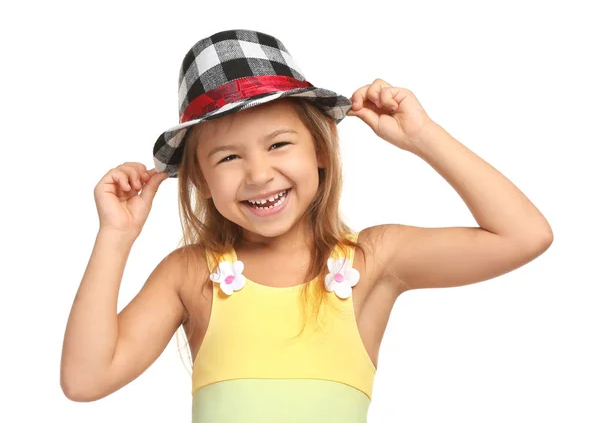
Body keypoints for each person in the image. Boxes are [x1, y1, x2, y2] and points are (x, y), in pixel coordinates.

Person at [60, 29, 554, 422]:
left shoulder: (370, 260)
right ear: (202, 181)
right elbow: (85, 380)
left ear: (320, 151)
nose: (258, 174)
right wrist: (116, 236)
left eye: (279, 145)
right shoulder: (191, 273)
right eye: (228, 157)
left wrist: (423, 136)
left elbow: (524, 236)